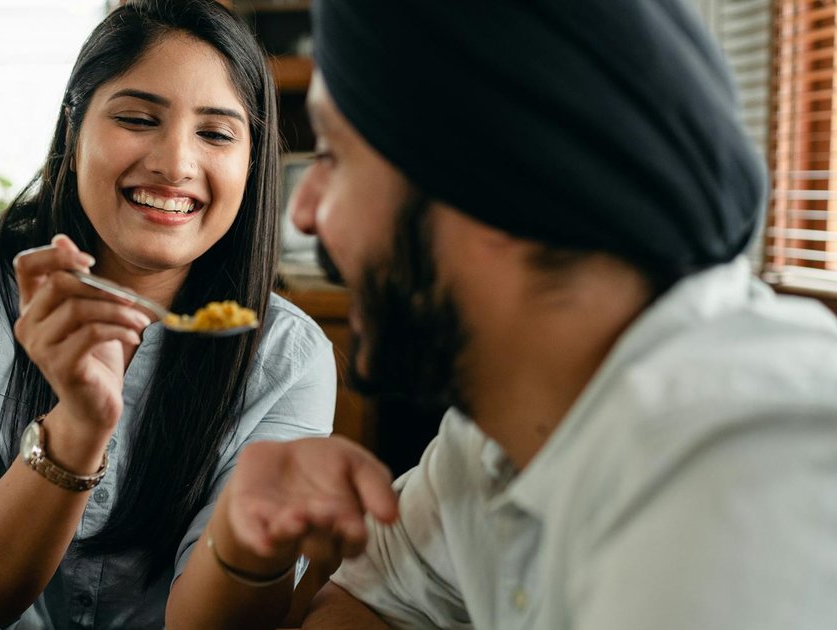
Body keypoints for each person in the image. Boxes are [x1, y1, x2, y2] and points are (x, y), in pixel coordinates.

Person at [204, 0, 837, 628]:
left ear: (488, 179)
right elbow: (364, 604)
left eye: (334, 158)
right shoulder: (496, 433)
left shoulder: (741, 485)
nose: (305, 213)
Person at [0, 1, 337, 628]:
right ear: (75, 128)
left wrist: (268, 544)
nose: (175, 164)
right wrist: (79, 428)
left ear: (252, 162)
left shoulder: (288, 355)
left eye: (217, 133)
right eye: (139, 118)